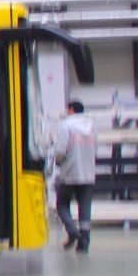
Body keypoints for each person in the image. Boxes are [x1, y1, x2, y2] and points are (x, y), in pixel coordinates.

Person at [51, 100, 97, 252]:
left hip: (70, 171)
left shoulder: (66, 125)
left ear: (71, 109)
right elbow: (96, 148)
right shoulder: (91, 125)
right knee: (85, 208)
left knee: (62, 204)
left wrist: (57, 161)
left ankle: (72, 230)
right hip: (88, 172)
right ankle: (84, 242)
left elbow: (60, 150)